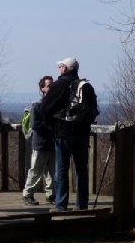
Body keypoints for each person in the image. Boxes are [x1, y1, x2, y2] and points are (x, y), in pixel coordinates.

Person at [41, 57, 91, 211]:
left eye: (61, 66)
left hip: (63, 132)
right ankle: (82, 205)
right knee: (82, 170)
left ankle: (61, 205)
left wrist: (50, 127)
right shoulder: (86, 86)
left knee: (61, 169)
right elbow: (92, 110)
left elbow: (45, 107)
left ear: (66, 69)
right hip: (82, 133)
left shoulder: (59, 85)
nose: (59, 69)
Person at [22, 76, 55, 206]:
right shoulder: (37, 106)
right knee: (36, 170)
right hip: (40, 143)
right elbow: (36, 125)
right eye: (48, 86)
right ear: (42, 89)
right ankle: (28, 194)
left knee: (52, 171)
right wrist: (53, 129)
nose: (51, 88)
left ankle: (51, 194)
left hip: (52, 143)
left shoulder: (55, 106)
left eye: (52, 85)